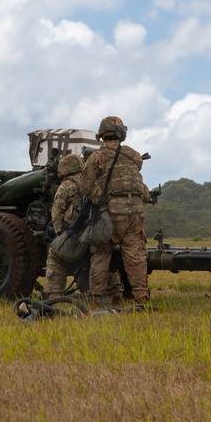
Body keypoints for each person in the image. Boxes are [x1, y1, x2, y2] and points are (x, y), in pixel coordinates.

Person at [78, 116, 150, 307]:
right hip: (136, 213)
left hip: (110, 214)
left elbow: (85, 186)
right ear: (121, 134)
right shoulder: (133, 156)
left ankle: (97, 299)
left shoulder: (97, 157)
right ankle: (141, 297)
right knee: (136, 255)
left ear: (102, 135)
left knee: (101, 254)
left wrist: (99, 199)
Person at [45, 154, 86, 298]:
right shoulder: (92, 182)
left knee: (55, 254)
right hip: (95, 235)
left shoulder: (66, 186)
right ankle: (114, 292)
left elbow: (57, 215)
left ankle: (54, 294)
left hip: (76, 236)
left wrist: (62, 235)